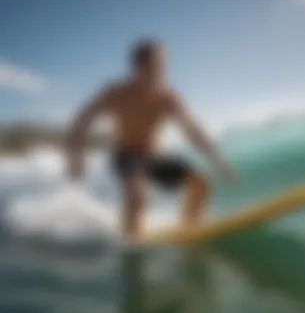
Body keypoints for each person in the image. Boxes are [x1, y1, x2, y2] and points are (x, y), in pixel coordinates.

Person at [66, 39, 236, 240]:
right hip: (126, 155)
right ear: (139, 67)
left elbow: (192, 129)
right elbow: (81, 120)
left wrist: (217, 161)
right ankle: (131, 242)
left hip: (154, 155)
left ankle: (190, 231)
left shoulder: (167, 96)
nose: (163, 71)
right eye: (157, 66)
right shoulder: (115, 92)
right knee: (138, 192)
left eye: (164, 66)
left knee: (200, 183)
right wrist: (76, 159)